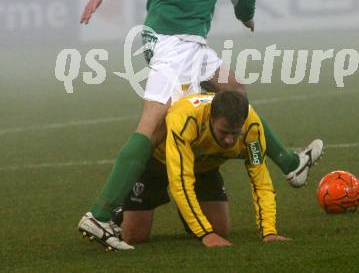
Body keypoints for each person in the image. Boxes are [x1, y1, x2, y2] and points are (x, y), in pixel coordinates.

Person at [78, 0, 322, 250]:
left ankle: (291, 165)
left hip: (175, 37)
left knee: (233, 89)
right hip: (175, 43)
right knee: (155, 125)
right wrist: (247, 15)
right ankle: (101, 213)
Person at [82, 92, 323, 249]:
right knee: (135, 236)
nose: (230, 140)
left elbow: (260, 180)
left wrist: (269, 231)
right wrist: (205, 234)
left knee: (222, 230)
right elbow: (180, 181)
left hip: (205, 168)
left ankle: (190, 215)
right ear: (210, 119)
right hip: (160, 164)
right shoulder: (185, 120)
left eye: (234, 134)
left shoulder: (251, 129)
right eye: (224, 132)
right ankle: (120, 209)